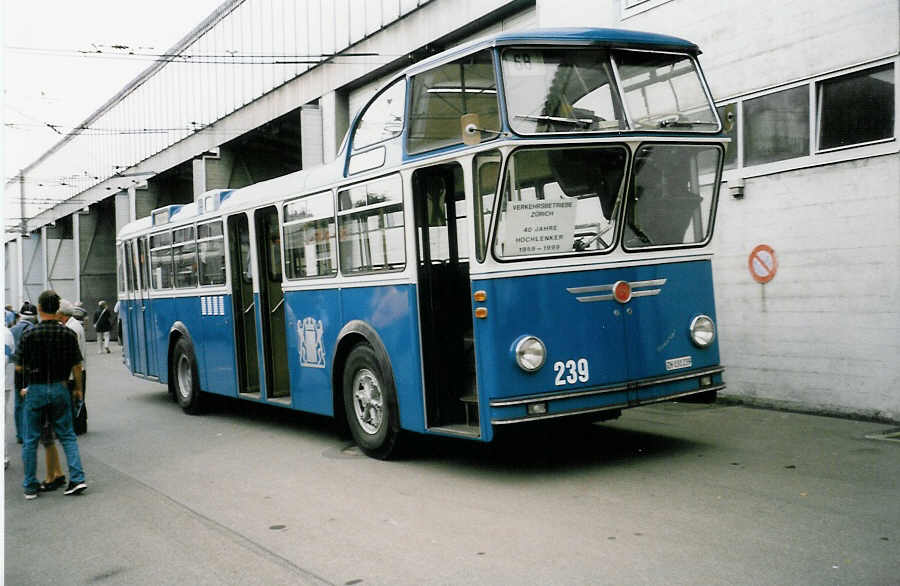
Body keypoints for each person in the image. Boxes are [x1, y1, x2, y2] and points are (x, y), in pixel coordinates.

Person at [14, 290, 87, 499]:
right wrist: (78, 389)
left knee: (31, 439)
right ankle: (77, 478)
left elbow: (19, 366)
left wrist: (25, 383)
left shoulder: (30, 335)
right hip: (59, 387)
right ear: (57, 309)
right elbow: (76, 366)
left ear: (39, 309)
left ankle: (30, 486)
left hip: (35, 388)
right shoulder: (68, 334)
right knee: (67, 435)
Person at [10, 302, 38, 444]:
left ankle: (20, 434)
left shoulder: (12, 330)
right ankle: (30, 432)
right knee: (31, 402)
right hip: (32, 371)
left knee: (18, 403)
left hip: (17, 370)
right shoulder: (36, 330)